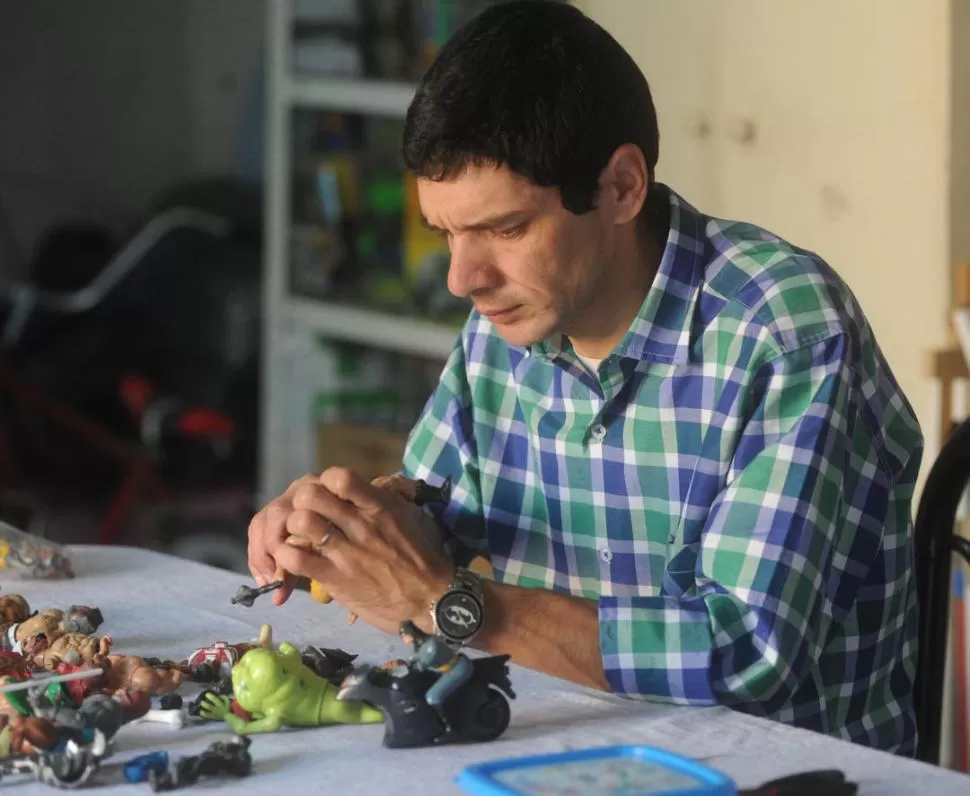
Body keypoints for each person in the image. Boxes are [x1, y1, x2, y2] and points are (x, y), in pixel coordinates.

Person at [249, 0, 922, 755]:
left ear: (622, 186)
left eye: (504, 230)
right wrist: (351, 526)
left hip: (765, 771)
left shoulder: (784, 332)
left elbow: (744, 654)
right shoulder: (508, 321)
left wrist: (446, 600)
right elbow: (438, 510)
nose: (462, 278)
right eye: (446, 232)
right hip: (564, 755)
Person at [398, 620, 474, 715]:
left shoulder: (431, 645)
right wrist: (404, 663)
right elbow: (414, 656)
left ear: (410, 633)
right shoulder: (419, 644)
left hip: (456, 669)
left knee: (432, 697)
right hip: (447, 669)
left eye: (404, 635)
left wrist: (411, 666)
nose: (403, 639)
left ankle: (445, 723)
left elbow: (423, 664)